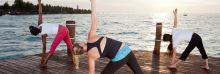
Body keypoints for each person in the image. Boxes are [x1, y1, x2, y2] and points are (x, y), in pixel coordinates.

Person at [74, 0, 143, 74]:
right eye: (79, 42)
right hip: (126, 49)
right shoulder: (91, 37)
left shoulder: (90, 56)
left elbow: (91, 72)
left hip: (120, 57)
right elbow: (94, 20)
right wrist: (93, 3)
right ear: (80, 44)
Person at [29, 0, 74, 68]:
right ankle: (74, 59)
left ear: (36, 34)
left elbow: (44, 48)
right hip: (64, 28)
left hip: (61, 31)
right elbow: (40, 13)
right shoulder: (40, 23)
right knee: (69, 44)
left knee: (52, 48)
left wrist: (43, 58)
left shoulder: (43, 34)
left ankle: (45, 63)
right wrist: (39, 3)